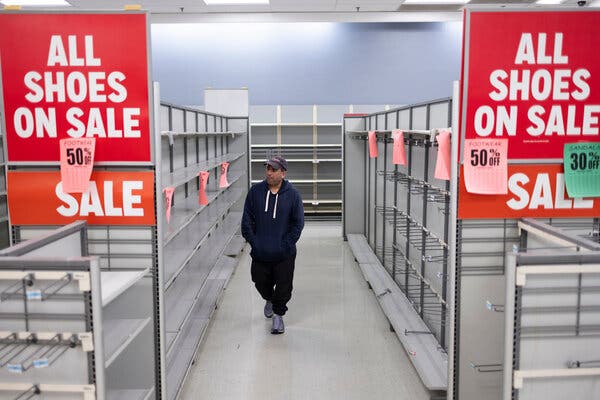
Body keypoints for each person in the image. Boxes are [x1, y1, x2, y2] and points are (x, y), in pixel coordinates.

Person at [241, 155, 304, 334]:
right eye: (267, 168)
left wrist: (287, 244)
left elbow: (298, 223)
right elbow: (247, 220)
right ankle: (269, 298)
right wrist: (254, 242)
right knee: (259, 280)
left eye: (273, 169)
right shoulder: (255, 192)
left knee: (284, 285)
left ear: (283, 173)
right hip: (260, 251)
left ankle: (278, 315)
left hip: (284, 253)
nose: (269, 173)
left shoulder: (293, 195)